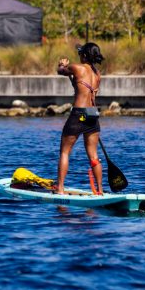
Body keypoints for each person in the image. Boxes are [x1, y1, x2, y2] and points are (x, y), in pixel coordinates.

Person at [55, 42, 105, 195]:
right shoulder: (97, 74)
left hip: (80, 115)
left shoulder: (77, 68)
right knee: (94, 156)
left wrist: (62, 64)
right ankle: (100, 191)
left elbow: (60, 71)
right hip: (92, 115)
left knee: (65, 152)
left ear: (84, 55)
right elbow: (80, 87)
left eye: (80, 53)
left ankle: (60, 189)